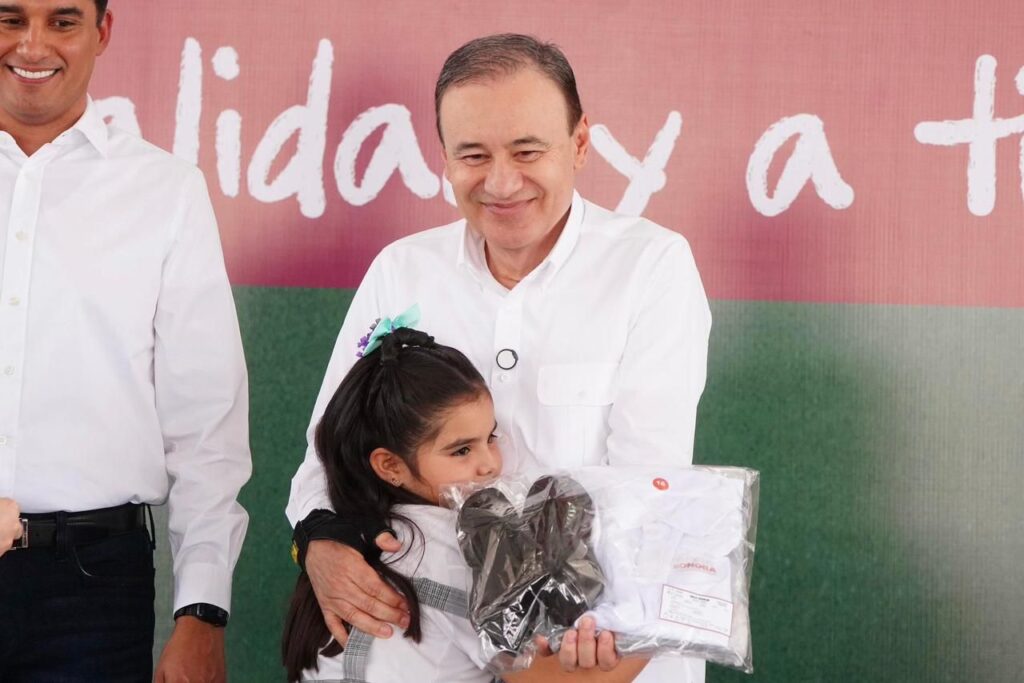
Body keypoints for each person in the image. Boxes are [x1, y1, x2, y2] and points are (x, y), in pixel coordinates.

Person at [287, 33, 710, 683]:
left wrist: (599, 642)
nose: (501, 181)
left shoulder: (651, 267)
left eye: (527, 151)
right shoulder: (402, 270)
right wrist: (317, 539)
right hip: (432, 652)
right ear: (445, 159)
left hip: (594, 653)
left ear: (580, 143)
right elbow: (332, 448)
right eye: (473, 155)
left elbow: (648, 491)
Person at [0, 1, 250, 681]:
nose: (32, 45)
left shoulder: (165, 192)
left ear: (102, 31)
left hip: (91, 593)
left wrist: (203, 610)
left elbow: (207, 426)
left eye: (62, 21)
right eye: (9, 18)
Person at [283, 325, 648, 682]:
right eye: (461, 450)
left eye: (490, 438)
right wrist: (663, 615)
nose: (489, 464)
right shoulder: (454, 550)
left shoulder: (350, 536)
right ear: (390, 465)